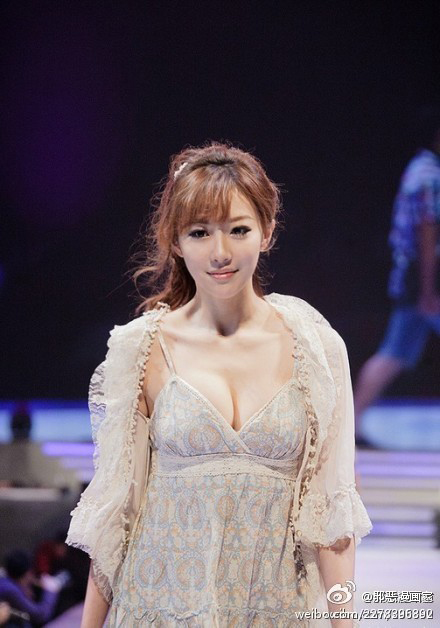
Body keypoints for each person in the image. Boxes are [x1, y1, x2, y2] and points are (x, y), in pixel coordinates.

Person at [67, 142, 372, 627]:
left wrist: (345, 623)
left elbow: (333, 512)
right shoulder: (141, 348)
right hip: (158, 607)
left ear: (267, 232)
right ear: (175, 241)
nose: (220, 253)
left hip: (274, 610)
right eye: (199, 232)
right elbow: (118, 511)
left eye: (238, 229)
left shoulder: (316, 347)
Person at [354, 106, 440, 447]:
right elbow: (427, 232)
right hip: (423, 279)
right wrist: (428, 290)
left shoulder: (419, 170)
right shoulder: (427, 174)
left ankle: (352, 424)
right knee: (393, 353)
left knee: (394, 353)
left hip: (417, 278)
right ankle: (351, 424)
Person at [0, 550, 62, 627]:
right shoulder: (9, 589)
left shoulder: (6, 581)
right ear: (28, 573)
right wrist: (51, 591)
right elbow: (40, 616)